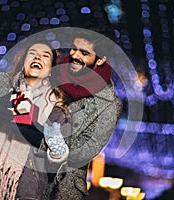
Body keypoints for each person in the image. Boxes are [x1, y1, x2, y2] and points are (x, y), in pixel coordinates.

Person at [0, 39, 70, 200]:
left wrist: (57, 152)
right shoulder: (2, 98)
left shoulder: (57, 113)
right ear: (23, 62)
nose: (37, 58)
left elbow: (55, 176)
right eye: (32, 54)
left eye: (45, 56)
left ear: (51, 69)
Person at [40, 30, 123, 200]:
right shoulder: (51, 73)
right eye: (73, 49)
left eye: (84, 53)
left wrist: (54, 141)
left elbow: (88, 149)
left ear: (100, 59)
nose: (75, 55)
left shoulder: (109, 104)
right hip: (24, 172)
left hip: (62, 187)